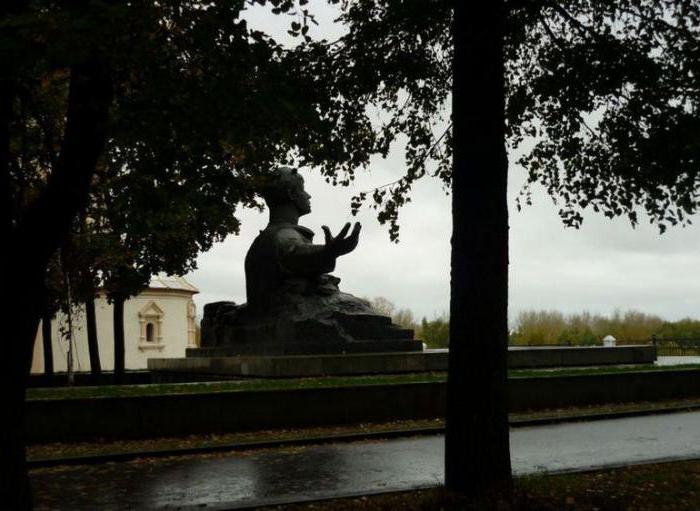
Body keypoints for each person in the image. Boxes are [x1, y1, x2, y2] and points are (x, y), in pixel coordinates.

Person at [244, 167, 362, 315]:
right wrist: (327, 252)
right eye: (303, 189)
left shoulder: (272, 235)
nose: (308, 196)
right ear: (292, 194)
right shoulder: (282, 235)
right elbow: (294, 253)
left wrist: (327, 252)